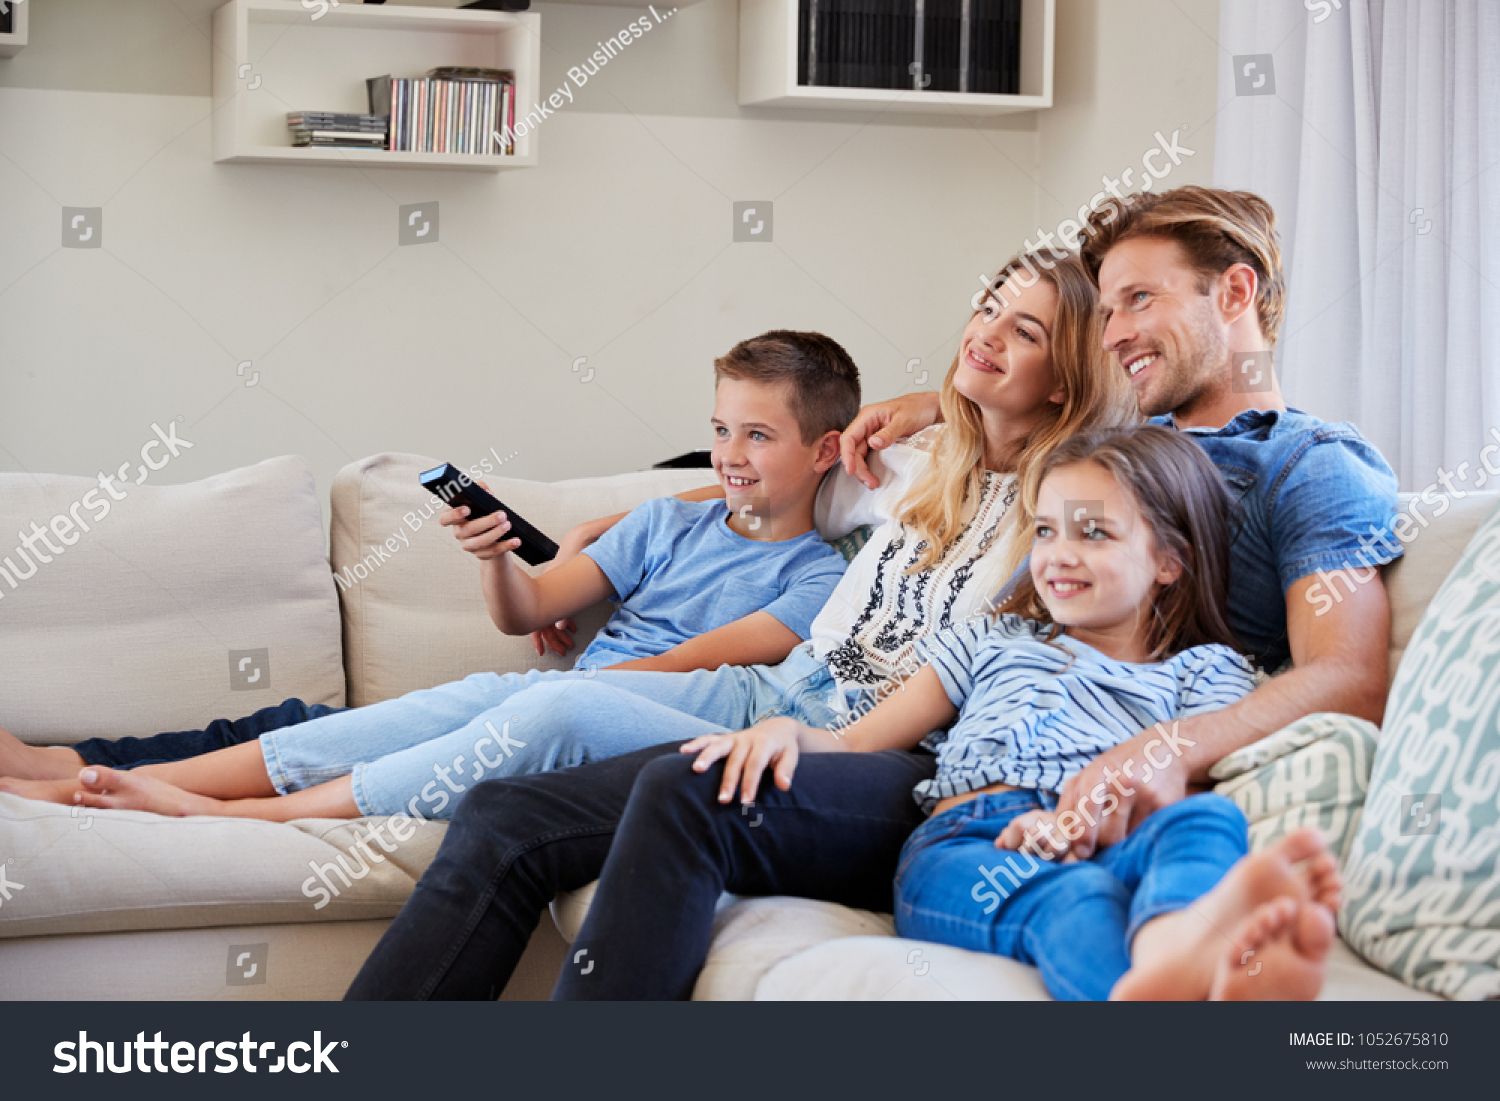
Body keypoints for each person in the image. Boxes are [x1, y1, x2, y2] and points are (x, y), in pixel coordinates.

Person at [344, 187, 1399, 1003]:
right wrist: (924, 402)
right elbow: (983, 421)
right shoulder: (1115, 446)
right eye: (1110, 304)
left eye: (1142, 300)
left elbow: (1347, 675)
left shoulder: (1309, 464)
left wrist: (1158, 750)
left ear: (1238, 294)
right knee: (504, 810)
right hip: (932, 720)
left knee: (683, 788)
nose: (1120, 327)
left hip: (973, 769)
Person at [340, 249, 1135, 998]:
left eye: (1023, 331)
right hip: (785, 697)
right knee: (503, 811)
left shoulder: (1074, 502)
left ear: (1064, 380)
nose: (987, 334)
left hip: (896, 752)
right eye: (988, 310)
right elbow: (766, 484)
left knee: (670, 778)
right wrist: (611, 522)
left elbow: (1141, 484)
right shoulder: (908, 463)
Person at [0, 330, 857, 820]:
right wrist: (495, 558)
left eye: (757, 436)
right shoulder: (669, 521)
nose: (729, 455)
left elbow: (691, 663)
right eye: (720, 430)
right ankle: (81, 775)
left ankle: (206, 809)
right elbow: (530, 612)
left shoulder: (824, 576)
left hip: (629, 715)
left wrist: (547, 693)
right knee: (439, 705)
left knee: (500, 702)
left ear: (825, 450)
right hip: (571, 701)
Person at [623, 426, 1341, 1001]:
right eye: (1048, 531)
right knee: (1074, 897)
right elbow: (855, 740)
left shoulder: (1206, 671)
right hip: (968, 845)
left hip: (1105, 837)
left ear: (1169, 561)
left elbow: (1174, 784)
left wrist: (1075, 824)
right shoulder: (989, 640)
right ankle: (1140, 992)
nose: (1058, 556)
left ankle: (1178, 950)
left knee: (1205, 820)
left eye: (1093, 533)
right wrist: (787, 730)